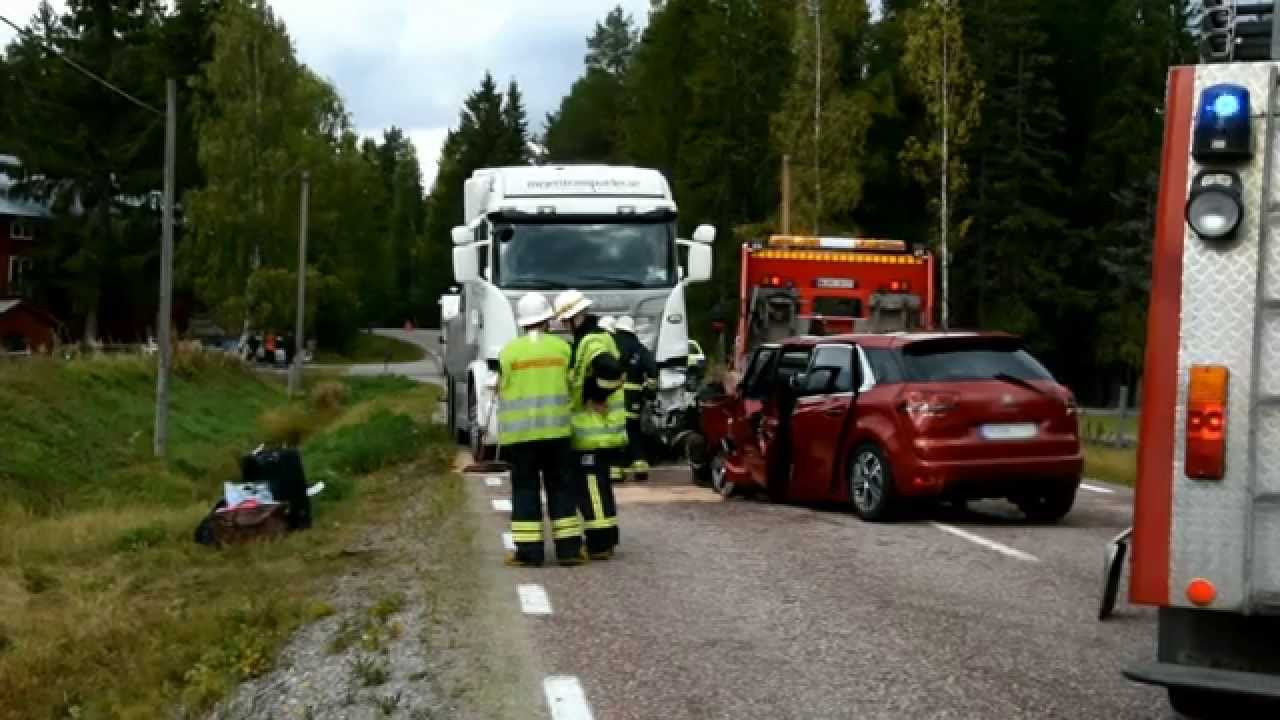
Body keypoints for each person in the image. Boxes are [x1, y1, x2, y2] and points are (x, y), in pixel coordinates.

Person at [498, 293, 585, 568]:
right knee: (561, 489)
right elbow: (574, 386)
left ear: (522, 322)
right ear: (548, 320)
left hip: (520, 436)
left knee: (525, 490)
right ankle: (569, 551)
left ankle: (529, 553)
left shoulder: (509, 351)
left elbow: (501, 387)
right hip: (557, 433)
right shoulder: (562, 349)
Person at [554, 289, 626, 560]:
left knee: (592, 488)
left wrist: (594, 394)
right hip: (598, 430)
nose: (564, 325)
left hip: (594, 431)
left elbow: (612, 370)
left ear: (575, 317)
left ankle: (600, 542)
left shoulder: (592, 340)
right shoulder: (593, 337)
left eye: (566, 320)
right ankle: (606, 538)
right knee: (599, 486)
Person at [614, 316, 657, 482]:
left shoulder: (611, 345)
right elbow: (652, 371)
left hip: (614, 396)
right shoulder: (640, 349)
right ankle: (640, 466)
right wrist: (649, 391)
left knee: (615, 430)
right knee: (633, 430)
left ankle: (615, 470)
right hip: (634, 398)